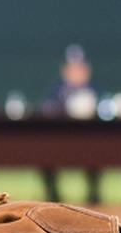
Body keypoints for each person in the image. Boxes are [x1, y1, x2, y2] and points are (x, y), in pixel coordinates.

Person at [39, 44, 102, 204]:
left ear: (86, 70)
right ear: (65, 70)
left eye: (79, 68)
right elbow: (47, 111)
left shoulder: (94, 91)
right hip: (62, 141)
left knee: (100, 152)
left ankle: (93, 196)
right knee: (44, 153)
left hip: (90, 142)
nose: (75, 73)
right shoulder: (57, 91)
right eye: (72, 68)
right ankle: (54, 196)